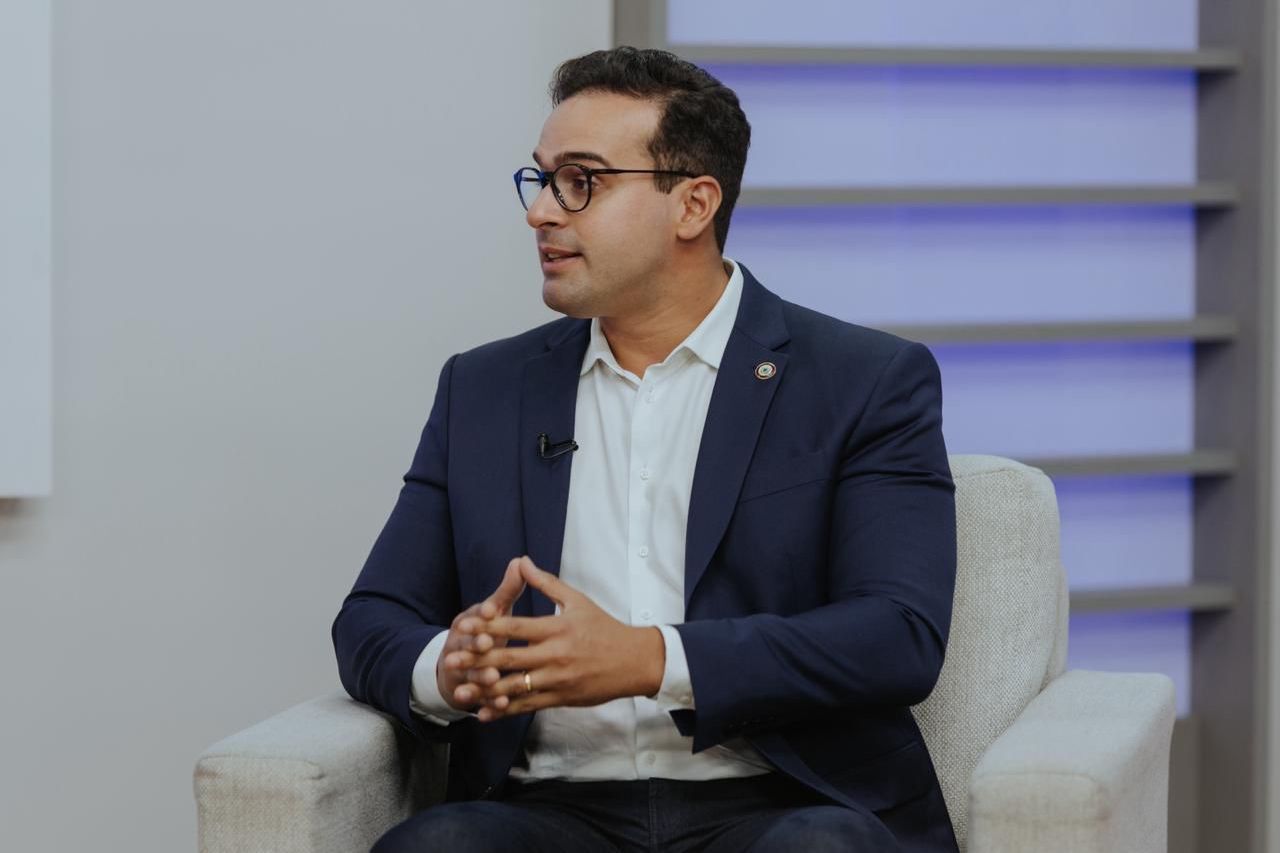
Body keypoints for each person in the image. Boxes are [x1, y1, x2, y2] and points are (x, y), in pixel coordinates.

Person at [332, 45, 959, 853]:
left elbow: (898, 633)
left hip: (783, 802)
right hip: (550, 811)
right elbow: (370, 620)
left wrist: (651, 658)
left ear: (693, 204)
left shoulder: (863, 380)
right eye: (542, 179)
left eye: (581, 181)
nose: (541, 212)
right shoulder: (483, 390)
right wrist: (448, 669)